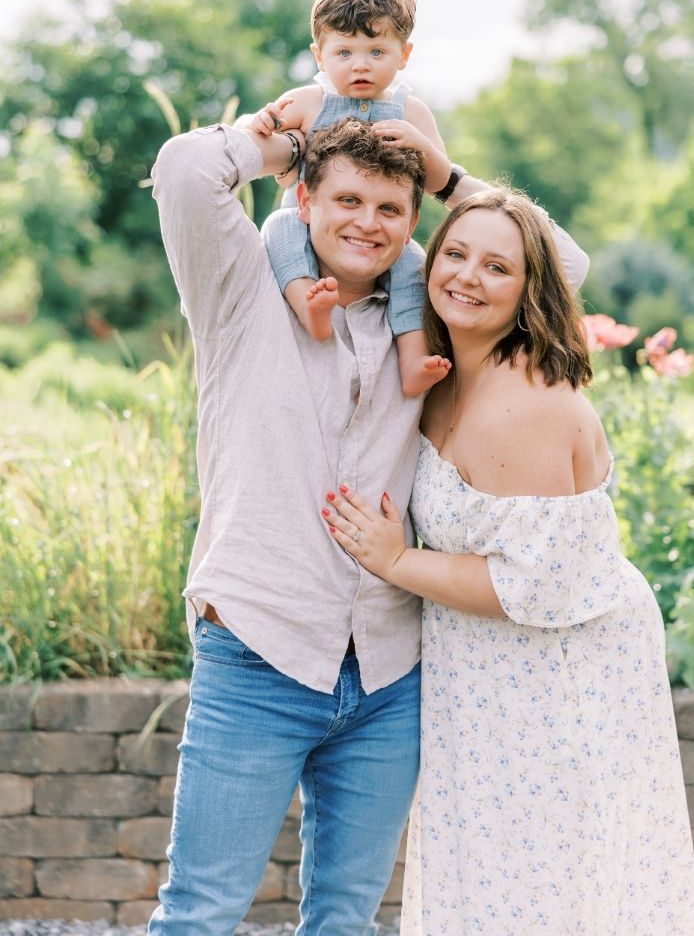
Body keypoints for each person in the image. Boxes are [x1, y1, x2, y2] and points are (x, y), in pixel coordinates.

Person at [149, 116, 586, 933]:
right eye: (345, 199)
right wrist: (287, 138)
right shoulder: (240, 286)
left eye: (390, 208)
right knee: (202, 911)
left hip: (389, 671)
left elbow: (563, 266)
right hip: (257, 647)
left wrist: (449, 177)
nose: (366, 223)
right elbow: (182, 169)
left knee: (347, 917)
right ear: (305, 200)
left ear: (413, 222)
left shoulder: (431, 318)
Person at [324, 187, 694, 934]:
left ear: (532, 289)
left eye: (498, 266)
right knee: (489, 878)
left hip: (559, 674)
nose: (467, 275)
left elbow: (534, 581)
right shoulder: (443, 375)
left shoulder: (523, 402)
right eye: (455, 254)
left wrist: (394, 560)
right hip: (485, 670)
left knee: (543, 886)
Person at [243, 0, 453, 397]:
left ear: (404, 55)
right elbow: (249, 136)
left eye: (377, 51)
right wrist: (258, 121)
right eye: (344, 53)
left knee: (414, 267)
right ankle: (309, 305)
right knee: (277, 228)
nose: (360, 64)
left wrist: (419, 144)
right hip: (308, 223)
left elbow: (439, 179)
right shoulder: (310, 101)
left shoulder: (411, 112)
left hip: (381, 234)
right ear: (320, 56)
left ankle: (413, 358)